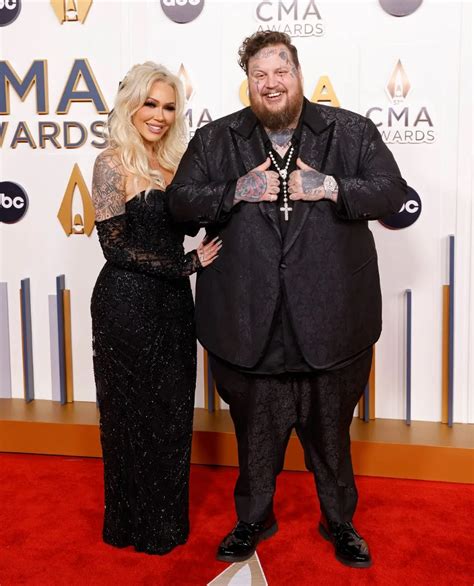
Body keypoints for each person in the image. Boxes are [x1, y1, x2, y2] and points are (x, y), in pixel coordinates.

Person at [167, 32, 407, 568]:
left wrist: (332, 187)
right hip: (248, 319)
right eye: (259, 75)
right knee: (254, 433)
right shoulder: (216, 139)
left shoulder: (351, 131)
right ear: (248, 83)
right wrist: (234, 191)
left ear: (299, 74)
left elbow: (392, 191)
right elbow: (180, 203)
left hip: (331, 318)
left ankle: (339, 521)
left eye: (281, 72)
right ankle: (254, 518)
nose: (271, 83)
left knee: (331, 435)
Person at [90, 62, 221, 555]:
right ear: (131, 105)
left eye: (168, 107)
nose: (159, 115)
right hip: (124, 304)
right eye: (150, 104)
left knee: (171, 412)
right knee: (128, 415)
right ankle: (128, 524)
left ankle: (164, 524)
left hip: (172, 306)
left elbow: (192, 223)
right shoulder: (111, 163)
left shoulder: (177, 162)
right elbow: (115, 247)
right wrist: (186, 265)